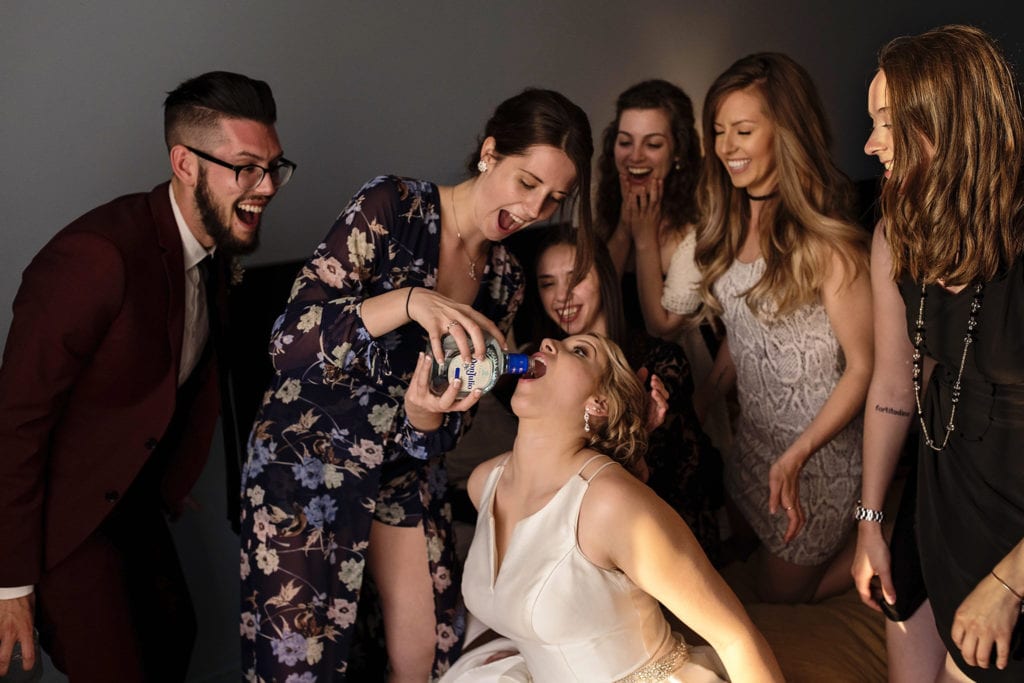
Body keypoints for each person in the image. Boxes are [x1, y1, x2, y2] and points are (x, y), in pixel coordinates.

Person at [238, 88, 594, 682]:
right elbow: (288, 342)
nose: (535, 209)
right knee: (298, 667)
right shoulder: (392, 206)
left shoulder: (505, 281)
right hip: (308, 464)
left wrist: (425, 414)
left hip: (404, 474)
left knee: (429, 655)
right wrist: (407, 301)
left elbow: (450, 427)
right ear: (489, 153)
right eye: (527, 182)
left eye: (553, 197)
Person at [0, 71, 292, 681]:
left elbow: (187, 375)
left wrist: (170, 478)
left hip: (133, 502)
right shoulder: (95, 258)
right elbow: (15, 421)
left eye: (273, 168)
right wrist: (9, 584)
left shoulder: (213, 251)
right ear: (185, 163)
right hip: (62, 521)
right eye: (246, 167)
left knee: (174, 636)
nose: (265, 187)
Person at [431, 332, 784, 682]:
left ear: (599, 404)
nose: (547, 342)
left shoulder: (611, 504)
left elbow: (735, 638)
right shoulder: (484, 483)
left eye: (580, 351)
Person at [852, 25, 1024, 681]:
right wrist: (870, 520)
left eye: (889, 124)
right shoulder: (897, 227)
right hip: (939, 499)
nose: (870, 145)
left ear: (949, 123)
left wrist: (1009, 585)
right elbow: (895, 386)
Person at [685, 53, 873, 603]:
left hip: (814, 464)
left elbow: (866, 369)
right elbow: (746, 336)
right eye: (718, 132)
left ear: (786, 132)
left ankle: (892, 549)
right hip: (753, 451)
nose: (726, 147)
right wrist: (702, 398)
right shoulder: (730, 219)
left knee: (782, 602)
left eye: (743, 130)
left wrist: (797, 456)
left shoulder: (828, 244)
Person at [530, 226, 723, 564]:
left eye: (575, 278)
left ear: (605, 277)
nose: (561, 297)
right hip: (584, 542)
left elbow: (684, 480)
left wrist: (639, 438)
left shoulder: (660, 364)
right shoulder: (543, 368)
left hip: (667, 539)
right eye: (548, 284)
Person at [595, 80, 731, 452]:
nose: (635, 156)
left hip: (688, 387)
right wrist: (624, 227)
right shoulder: (609, 203)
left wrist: (644, 238)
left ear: (678, 152)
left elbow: (663, 325)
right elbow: (596, 296)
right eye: (625, 142)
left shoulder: (700, 222)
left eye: (652, 144)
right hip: (619, 382)